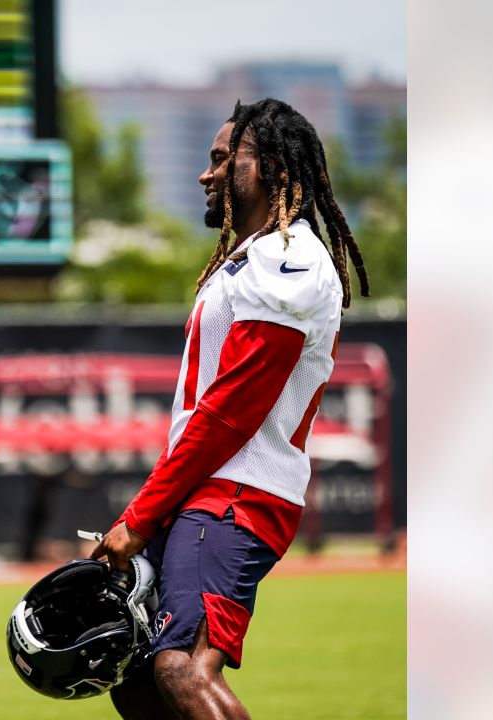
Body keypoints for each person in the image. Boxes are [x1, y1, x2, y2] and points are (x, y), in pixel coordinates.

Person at [90, 98, 369, 720]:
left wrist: (139, 518)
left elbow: (231, 412)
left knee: (184, 666)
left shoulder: (287, 257)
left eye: (222, 159)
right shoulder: (249, 258)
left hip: (239, 492)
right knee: (134, 675)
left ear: (267, 165)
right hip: (206, 490)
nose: (205, 173)